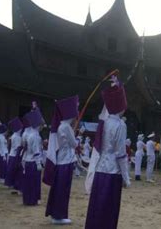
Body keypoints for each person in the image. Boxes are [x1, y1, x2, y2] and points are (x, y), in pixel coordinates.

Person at [85, 76, 130, 229]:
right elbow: (120, 154)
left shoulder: (103, 123)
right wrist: (126, 177)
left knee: (97, 206)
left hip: (100, 169)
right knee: (109, 209)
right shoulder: (120, 125)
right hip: (113, 172)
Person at [45, 95, 79, 225]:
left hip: (61, 161)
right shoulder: (66, 127)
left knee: (59, 188)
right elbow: (74, 144)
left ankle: (57, 214)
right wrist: (75, 133)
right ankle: (59, 216)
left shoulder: (61, 126)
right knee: (63, 190)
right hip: (66, 161)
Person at [22, 108, 44, 206]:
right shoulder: (35, 136)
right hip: (33, 162)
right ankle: (32, 200)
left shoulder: (30, 134)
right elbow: (36, 151)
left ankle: (28, 199)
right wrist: (39, 163)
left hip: (28, 160)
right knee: (33, 182)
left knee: (28, 182)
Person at [5, 117, 23, 190]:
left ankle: (9, 182)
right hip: (15, 155)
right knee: (13, 170)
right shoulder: (17, 137)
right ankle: (11, 183)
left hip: (12, 154)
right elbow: (18, 147)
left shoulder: (14, 136)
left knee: (11, 169)